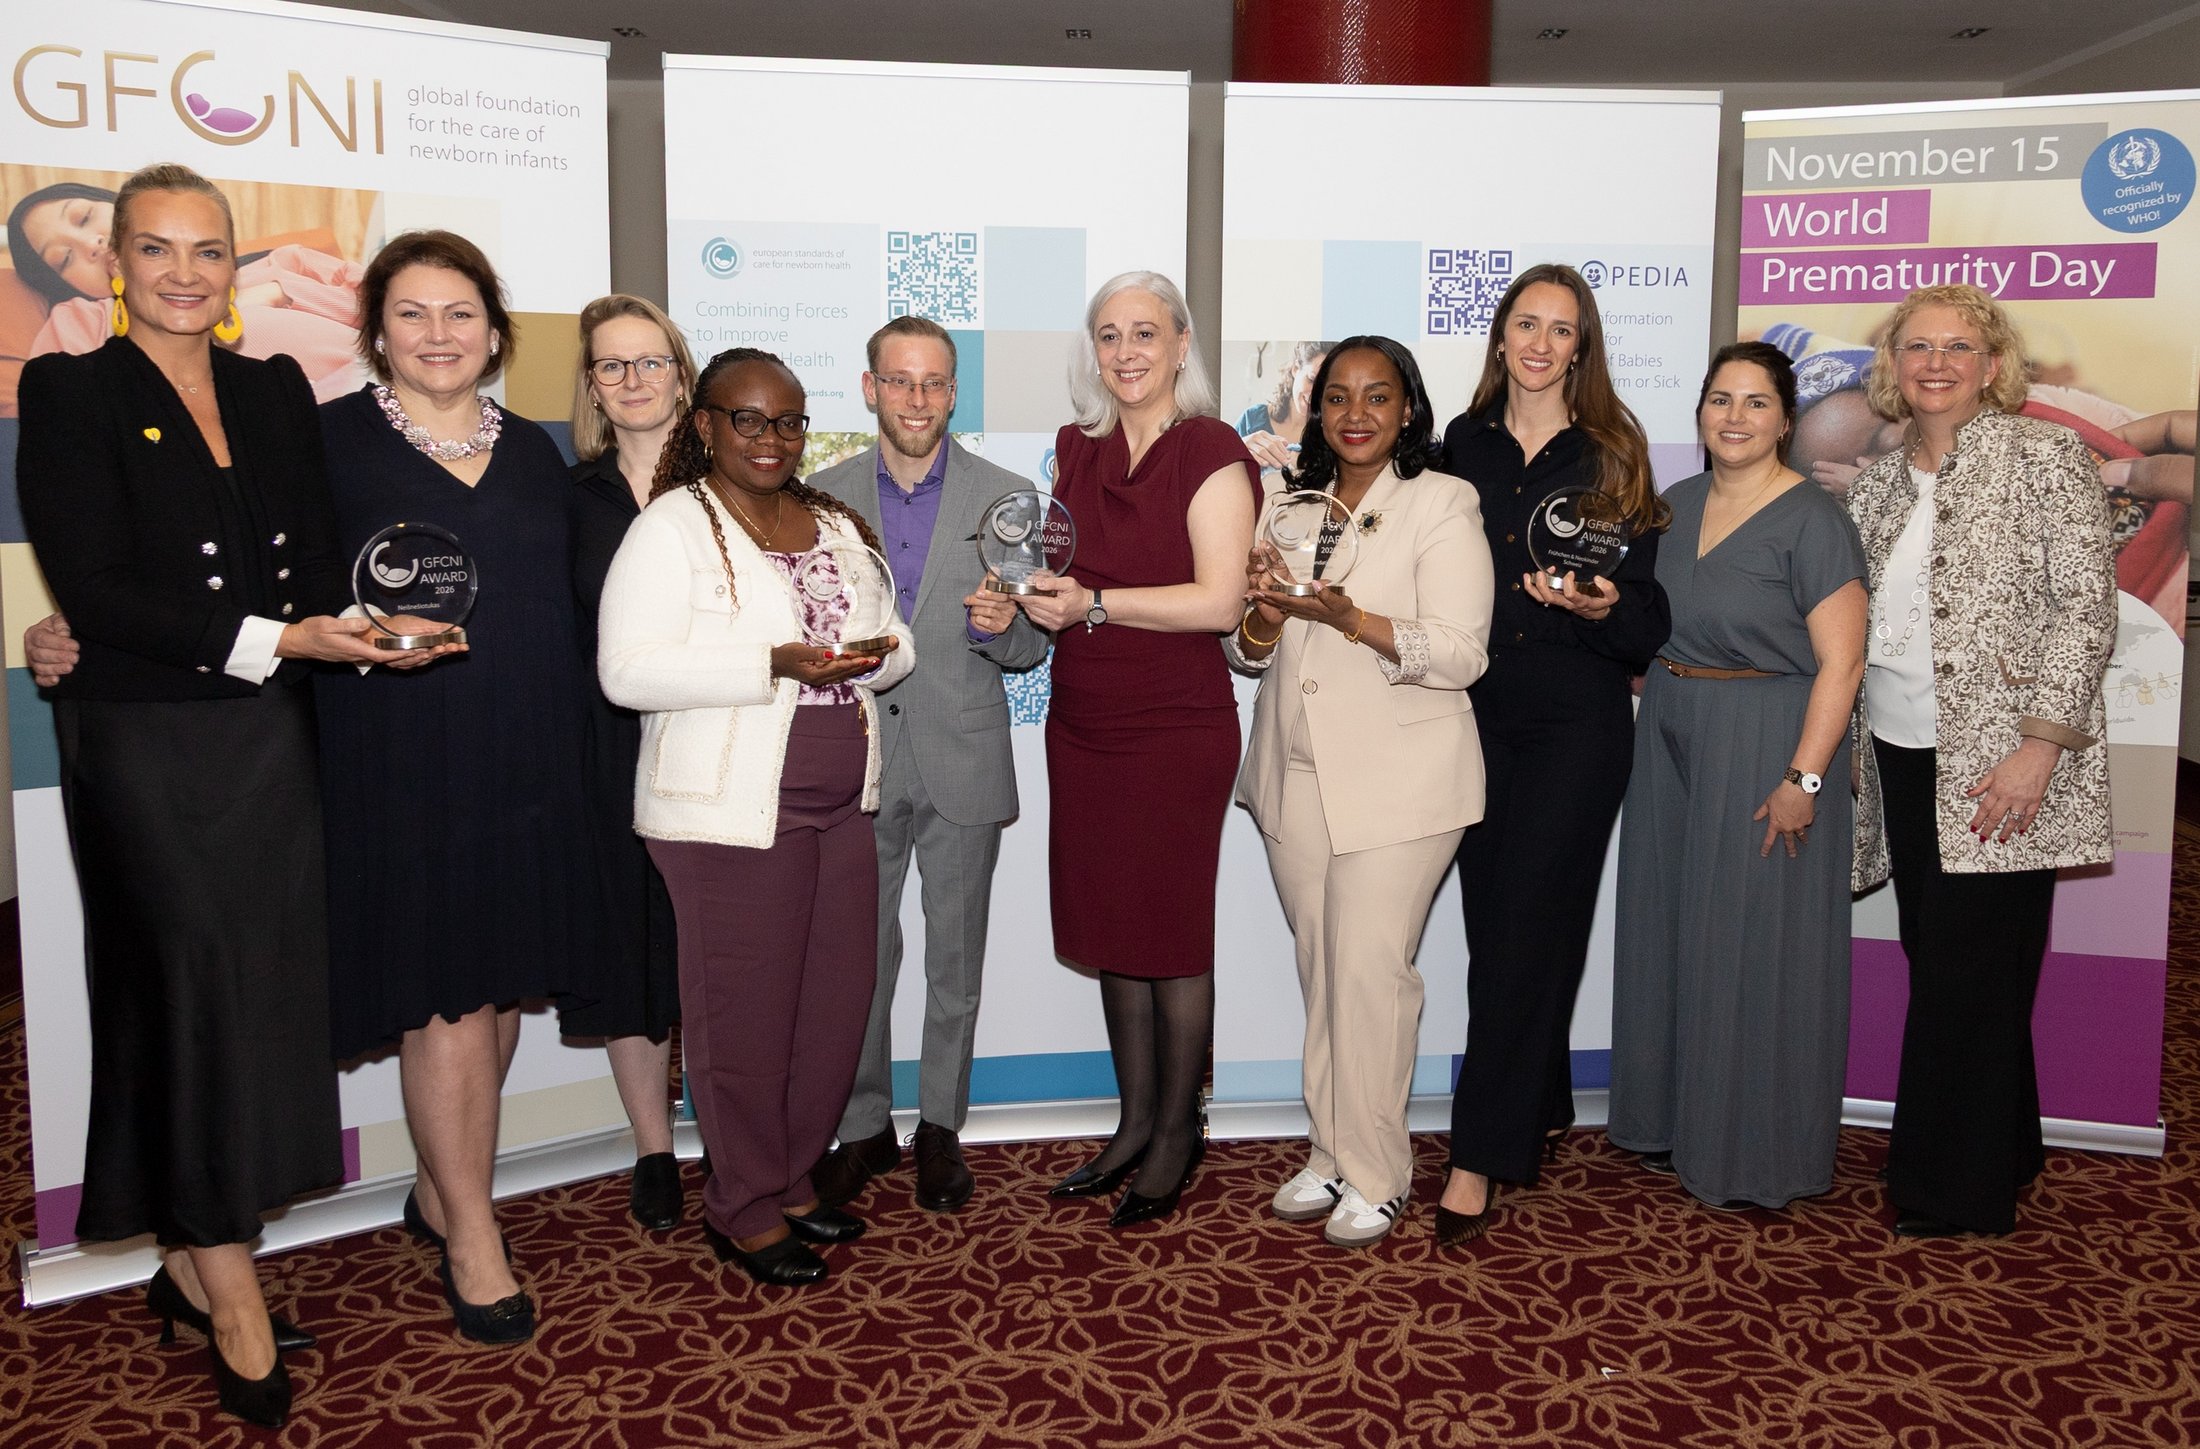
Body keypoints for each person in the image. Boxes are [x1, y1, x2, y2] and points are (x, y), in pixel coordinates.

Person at [13, 163, 447, 1429]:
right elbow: (95, 588)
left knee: (259, 1002)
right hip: (149, 745)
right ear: (116, 267)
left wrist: (367, 626)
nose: (184, 273)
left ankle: (192, 1253)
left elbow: (311, 559)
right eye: (156, 249)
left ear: (233, 263)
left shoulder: (271, 389)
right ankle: (226, 1276)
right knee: (185, 995)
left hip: (274, 738)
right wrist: (281, 638)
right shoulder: (70, 388)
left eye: (207, 249)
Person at [315, 230, 603, 1343]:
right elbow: (270, 585)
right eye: (412, 313)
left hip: (530, 752)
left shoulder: (531, 451)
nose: (438, 334)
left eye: (460, 313)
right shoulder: (325, 442)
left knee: (501, 984)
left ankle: (443, 1192)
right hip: (402, 755)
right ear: (376, 331)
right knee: (445, 995)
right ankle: (473, 1234)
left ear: (494, 331)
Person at [597, 347, 914, 1286]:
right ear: (705, 426)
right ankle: (741, 1204)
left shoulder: (833, 523)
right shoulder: (670, 527)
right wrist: (769, 663)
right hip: (727, 818)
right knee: (746, 1021)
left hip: (842, 806)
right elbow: (626, 671)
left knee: (832, 1010)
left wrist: (873, 657)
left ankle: (790, 1177)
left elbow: (897, 642)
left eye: (788, 422)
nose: (771, 438)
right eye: (748, 419)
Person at [1843, 285, 2116, 1238]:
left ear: (1993, 364)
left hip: (2002, 762)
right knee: (1953, 959)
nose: (1937, 363)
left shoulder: (2045, 456)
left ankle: (1951, 1188)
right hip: (1899, 750)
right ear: (1895, 365)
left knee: (1967, 970)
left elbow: (2087, 609)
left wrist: (2039, 746)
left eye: (1959, 346)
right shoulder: (1877, 485)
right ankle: (2008, 1143)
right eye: (1918, 346)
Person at [1228, 336, 1493, 1249]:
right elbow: (1247, 650)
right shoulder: (1285, 499)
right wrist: (1265, 614)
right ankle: (1332, 1150)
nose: (1355, 413)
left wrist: (1351, 618)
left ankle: (1378, 1172)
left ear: (1408, 408)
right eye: (1338, 396)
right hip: (1295, 770)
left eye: (1377, 396)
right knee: (1323, 969)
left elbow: (1460, 652)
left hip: (1401, 777)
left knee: (1371, 974)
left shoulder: (1442, 500)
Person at [1011, 271, 1258, 1227]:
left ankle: (1178, 1131)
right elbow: (1062, 573)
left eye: (1144, 333)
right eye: (1109, 335)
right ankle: (1134, 1122)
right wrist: (1023, 596)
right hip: (1083, 717)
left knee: (1169, 929)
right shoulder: (1075, 447)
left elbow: (1220, 601)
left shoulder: (1211, 449)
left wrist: (1096, 604)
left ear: (1182, 344)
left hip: (1174, 726)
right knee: (1114, 923)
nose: (1125, 352)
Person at [1436, 263, 1672, 1243]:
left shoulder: (1614, 453)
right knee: (1496, 929)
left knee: (1529, 924)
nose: (1540, 343)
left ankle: (1477, 1154)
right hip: (1470, 717)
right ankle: (1537, 1098)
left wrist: (1605, 607)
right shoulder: (1457, 445)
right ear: (1500, 337)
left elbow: (1648, 619)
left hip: (1576, 723)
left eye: (1561, 329)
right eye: (1525, 324)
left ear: (1582, 347)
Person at [1605, 343, 1868, 1210]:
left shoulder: (1814, 520)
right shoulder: (1673, 506)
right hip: (1670, 728)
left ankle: (1755, 1150)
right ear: (1701, 411)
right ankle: (1669, 1120)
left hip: (1766, 739)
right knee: (1668, 925)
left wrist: (1806, 780)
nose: (1736, 417)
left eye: (1757, 402)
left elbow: (1842, 665)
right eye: (1721, 399)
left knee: (1753, 944)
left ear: (1786, 420)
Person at [805, 317, 1048, 1213]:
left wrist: (1002, 628)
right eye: (901, 381)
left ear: (953, 392)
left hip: (964, 755)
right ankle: (864, 1124)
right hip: (857, 762)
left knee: (956, 959)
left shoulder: (1007, 497)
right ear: (871, 388)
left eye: (934, 382)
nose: (918, 399)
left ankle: (942, 1125)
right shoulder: (818, 498)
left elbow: (1029, 649)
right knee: (857, 961)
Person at [564, 295, 701, 1231]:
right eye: (612, 366)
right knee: (630, 949)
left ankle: (735, 1131)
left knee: (722, 949)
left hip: (722, 744)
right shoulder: (568, 501)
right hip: (608, 750)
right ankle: (654, 1145)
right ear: (593, 386)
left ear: (682, 375)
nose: (633, 380)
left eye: (650, 361)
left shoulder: (735, 483)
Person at [8, 180, 369, 405]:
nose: (92, 244)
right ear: (62, 284)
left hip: (379, 397)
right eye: (64, 259)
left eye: (84, 218)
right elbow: (66, 414)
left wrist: (282, 290)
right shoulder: (79, 322)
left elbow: (387, 312)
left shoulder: (286, 262)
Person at [1237, 340, 1333, 471]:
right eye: (1311, 380)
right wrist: (1239, 448)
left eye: (1326, 387)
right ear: (1295, 369)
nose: (1316, 394)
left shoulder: (1332, 434)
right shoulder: (1251, 419)